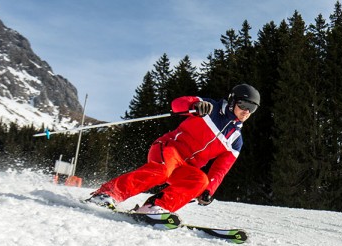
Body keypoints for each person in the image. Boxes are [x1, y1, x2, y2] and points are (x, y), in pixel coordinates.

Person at [85, 84, 260, 214]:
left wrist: (208, 191)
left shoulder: (236, 140)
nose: (246, 111)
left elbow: (221, 169)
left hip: (186, 167)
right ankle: (106, 194)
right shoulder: (209, 108)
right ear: (232, 101)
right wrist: (193, 107)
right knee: (162, 172)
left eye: (252, 108)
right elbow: (178, 104)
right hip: (169, 149)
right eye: (243, 105)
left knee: (200, 181)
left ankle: (154, 207)